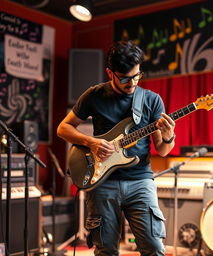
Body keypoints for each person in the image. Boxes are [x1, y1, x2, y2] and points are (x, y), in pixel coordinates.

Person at [57, 41, 176, 256]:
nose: (132, 83)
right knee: (106, 250)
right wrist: (91, 142)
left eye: (136, 76)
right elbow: (63, 128)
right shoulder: (94, 95)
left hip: (140, 181)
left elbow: (163, 149)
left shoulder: (151, 100)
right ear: (110, 73)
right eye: (124, 78)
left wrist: (168, 137)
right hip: (103, 181)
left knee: (154, 248)